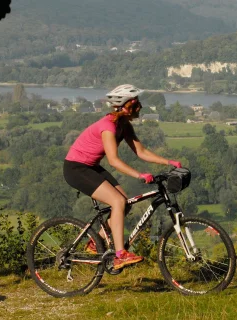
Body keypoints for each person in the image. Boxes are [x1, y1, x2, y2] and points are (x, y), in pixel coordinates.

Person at [63, 84, 182, 270]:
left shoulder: (123, 125)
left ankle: (96, 241)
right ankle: (120, 254)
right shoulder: (108, 126)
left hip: (90, 166)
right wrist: (139, 175)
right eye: (135, 105)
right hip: (76, 169)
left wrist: (168, 162)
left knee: (124, 203)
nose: (139, 108)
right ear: (124, 106)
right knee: (118, 202)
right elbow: (113, 161)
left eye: (138, 104)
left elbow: (141, 151)